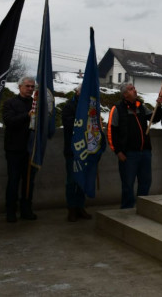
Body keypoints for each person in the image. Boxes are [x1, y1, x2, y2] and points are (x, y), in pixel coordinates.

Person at [107, 83, 162, 209]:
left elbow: (155, 118)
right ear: (125, 94)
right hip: (128, 154)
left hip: (145, 152)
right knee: (128, 183)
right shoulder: (117, 109)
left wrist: (158, 106)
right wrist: (118, 151)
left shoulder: (141, 107)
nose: (135, 90)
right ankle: (127, 209)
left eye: (134, 88)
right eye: (131, 89)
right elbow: (111, 132)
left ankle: (142, 207)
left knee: (146, 182)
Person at [2, 76, 37, 222]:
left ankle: (26, 209)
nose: (30, 89)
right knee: (14, 180)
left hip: (31, 149)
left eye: (32, 87)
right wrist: (27, 116)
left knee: (29, 181)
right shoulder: (10, 103)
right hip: (14, 149)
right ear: (20, 87)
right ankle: (11, 211)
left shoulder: (36, 104)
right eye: (27, 86)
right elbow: (9, 121)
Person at [62, 85, 92, 222]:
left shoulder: (90, 106)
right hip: (72, 150)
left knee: (82, 181)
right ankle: (71, 209)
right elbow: (69, 125)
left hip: (86, 150)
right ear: (77, 92)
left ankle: (80, 207)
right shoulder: (69, 106)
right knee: (71, 181)